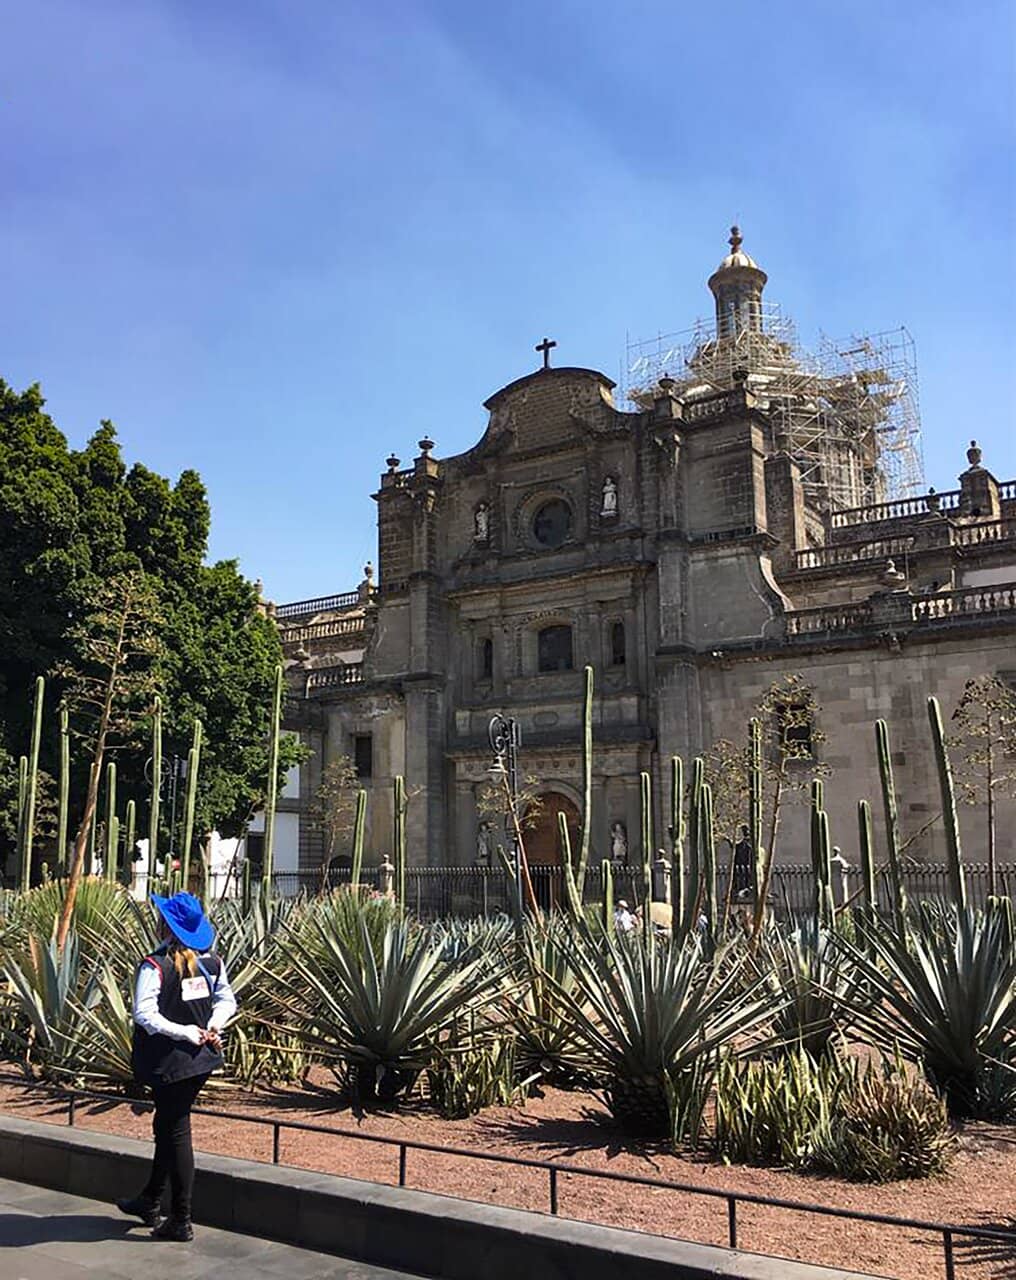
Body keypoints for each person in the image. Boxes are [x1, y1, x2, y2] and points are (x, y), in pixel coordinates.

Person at [117, 891, 236, 1242]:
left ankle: (180, 1219)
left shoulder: (155, 966)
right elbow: (226, 1000)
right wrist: (213, 1025)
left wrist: (186, 1031)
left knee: (176, 1132)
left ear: (165, 926)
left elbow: (144, 1013)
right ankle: (150, 1200)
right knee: (166, 1126)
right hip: (199, 1060)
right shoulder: (211, 962)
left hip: (170, 1061)